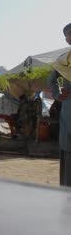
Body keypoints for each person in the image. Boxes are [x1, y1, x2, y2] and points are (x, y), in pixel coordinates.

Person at [49, 23, 71, 186]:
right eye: (68, 34)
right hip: (69, 107)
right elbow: (52, 80)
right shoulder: (64, 60)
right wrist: (57, 95)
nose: (69, 36)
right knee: (67, 145)